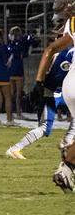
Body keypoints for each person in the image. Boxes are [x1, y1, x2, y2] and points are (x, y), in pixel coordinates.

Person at [32, 19, 75, 191]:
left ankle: (66, 167)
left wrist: (38, 81)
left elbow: (50, 49)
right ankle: (68, 161)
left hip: (69, 84)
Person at [8, 45, 73, 158]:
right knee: (45, 127)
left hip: (54, 92)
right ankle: (15, 149)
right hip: (53, 93)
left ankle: (67, 145)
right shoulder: (67, 54)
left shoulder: (58, 53)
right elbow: (57, 77)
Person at [8, 26, 39, 119]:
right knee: (17, 94)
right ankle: (17, 113)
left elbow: (33, 44)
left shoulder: (11, 44)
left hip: (11, 71)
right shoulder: (20, 43)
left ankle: (12, 113)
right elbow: (33, 43)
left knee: (12, 94)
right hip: (18, 71)